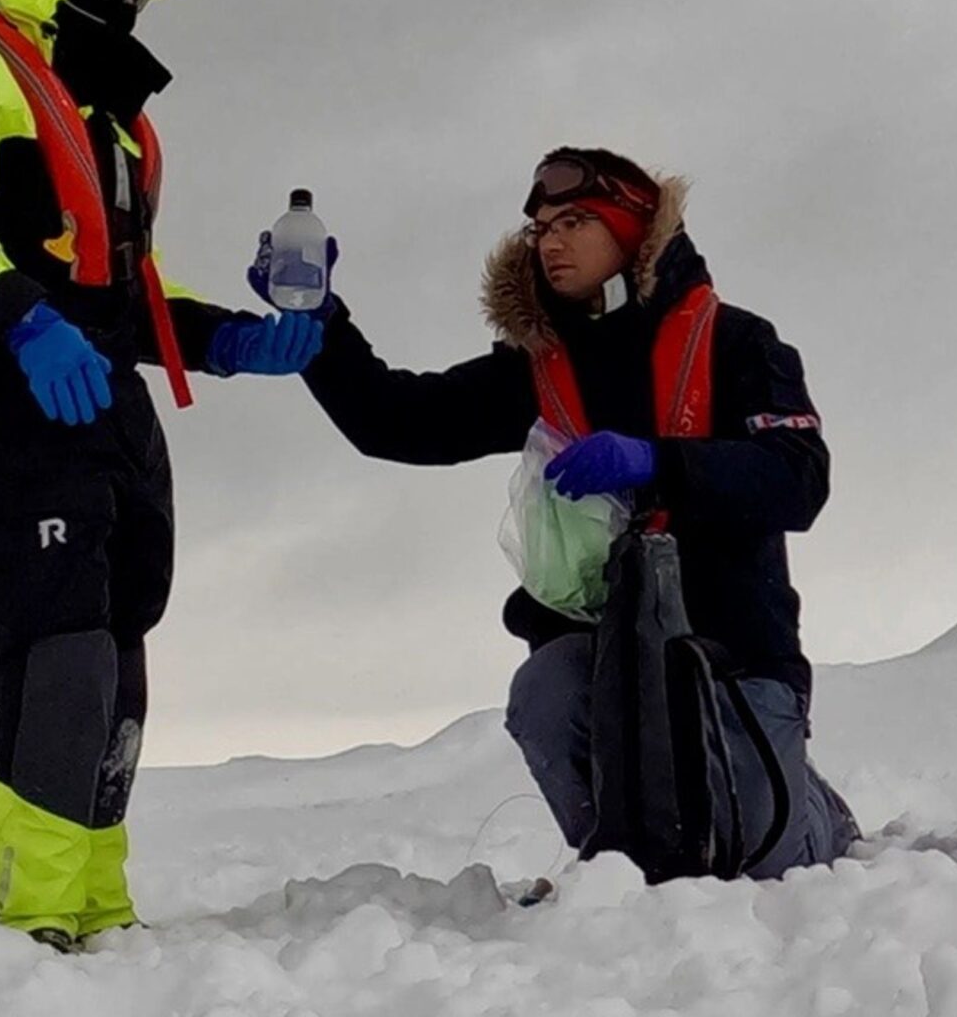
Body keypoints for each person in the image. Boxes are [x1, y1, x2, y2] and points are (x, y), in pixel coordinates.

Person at [0, 0, 322, 951]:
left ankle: (93, 901)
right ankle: (26, 909)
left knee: (118, 644)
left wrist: (227, 339)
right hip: (2, 403)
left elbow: (121, 292)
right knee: (58, 643)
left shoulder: (116, 121)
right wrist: (20, 319)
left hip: (107, 410)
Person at [288, 147, 858, 879]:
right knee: (547, 697)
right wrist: (321, 324)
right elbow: (398, 423)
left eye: (575, 222)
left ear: (633, 231)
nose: (550, 242)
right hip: (603, 652)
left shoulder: (739, 343)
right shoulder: (538, 366)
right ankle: (620, 872)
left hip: (738, 649)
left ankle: (813, 811)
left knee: (762, 865)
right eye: (541, 228)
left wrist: (659, 462)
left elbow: (799, 479)